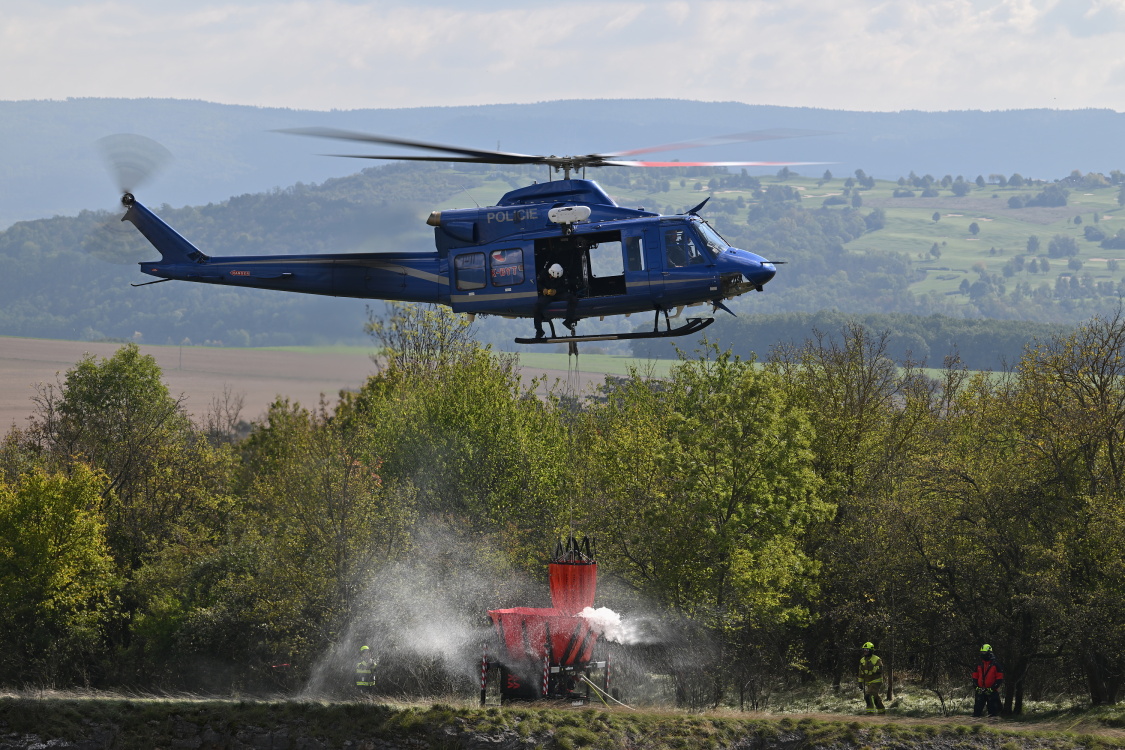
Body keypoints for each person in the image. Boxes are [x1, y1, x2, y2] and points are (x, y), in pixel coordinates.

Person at [533, 261, 579, 339]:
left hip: (558, 293)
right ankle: (539, 331)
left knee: (573, 299)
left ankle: (568, 321)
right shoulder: (543, 273)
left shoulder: (563, 275)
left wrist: (556, 291)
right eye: (552, 277)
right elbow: (537, 283)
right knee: (537, 307)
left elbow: (566, 286)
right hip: (547, 295)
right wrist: (543, 289)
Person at [971, 644, 1004, 718]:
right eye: (981, 652)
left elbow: (999, 679)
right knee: (976, 712)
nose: (982, 654)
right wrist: (976, 687)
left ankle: (993, 726)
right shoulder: (979, 665)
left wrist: (992, 688)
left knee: (993, 713)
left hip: (992, 692)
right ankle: (976, 725)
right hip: (980, 691)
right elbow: (974, 677)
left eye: (984, 652)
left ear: (989, 653)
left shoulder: (996, 665)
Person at [858, 641, 886, 714]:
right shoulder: (862, 660)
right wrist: (860, 682)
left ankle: (870, 713)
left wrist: (871, 668)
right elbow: (861, 672)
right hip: (868, 682)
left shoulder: (876, 659)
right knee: (875, 697)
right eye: (864, 650)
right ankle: (882, 711)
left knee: (868, 696)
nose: (865, 651)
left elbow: (879, 670)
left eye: (867, 650)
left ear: (871, 650)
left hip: (876, 681)